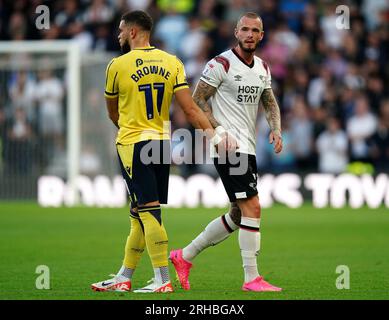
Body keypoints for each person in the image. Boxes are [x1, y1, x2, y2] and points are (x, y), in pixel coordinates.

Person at [91, 10, 230, 293]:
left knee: (149, 213)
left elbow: (112, 112)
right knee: (139, 213)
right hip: (161, 144)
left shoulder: (117, 65)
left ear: (132, 32)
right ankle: (124, 275)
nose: (118, 35)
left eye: (121, 30)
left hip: (133, 144)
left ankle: (162, 279)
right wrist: (214, 136)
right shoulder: (172, 62)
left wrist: (130, 127)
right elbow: (190, 109)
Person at [170, 12, 284, 292]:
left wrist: (276, 128)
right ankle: (251, 278)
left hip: (248, 147)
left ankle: (183, 256)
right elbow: (197, 101)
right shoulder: (220, 63)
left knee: (237, 213)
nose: (249, 34)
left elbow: (269, 102)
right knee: (253, 207)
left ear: (261, 35)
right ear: (236, 32)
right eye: (244, 29)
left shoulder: (263, 68)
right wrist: (219, 132)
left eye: (255, 30)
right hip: (229, 147)